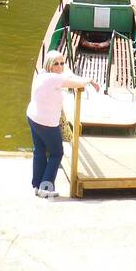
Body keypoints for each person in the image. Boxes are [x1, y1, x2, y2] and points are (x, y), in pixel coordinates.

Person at [26, 50, 100, 198]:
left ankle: (37, 185)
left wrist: (69, 72)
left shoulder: (42, 74)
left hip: (33, 117)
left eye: (62, 63)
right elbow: (77, 83)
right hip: (46, 122)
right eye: (56, 64)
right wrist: (90, 79)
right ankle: (46, 187)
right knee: (57, 153)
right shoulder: (54, 79)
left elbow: (67, 75)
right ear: (49, 65)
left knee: (39, 150)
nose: (60, 66)